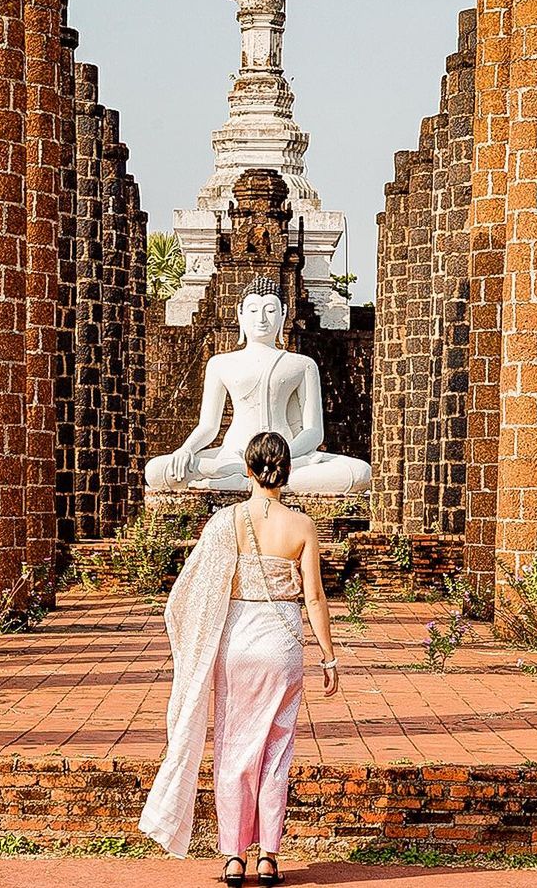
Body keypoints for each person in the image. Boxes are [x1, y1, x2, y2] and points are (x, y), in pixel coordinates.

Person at [139, 430, 340, 884]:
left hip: (237, 646)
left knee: (233, 748)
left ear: (247, 469)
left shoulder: (224, 523)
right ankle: (268, 855)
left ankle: (233, 857)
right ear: (287, 472)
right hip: (283, 644)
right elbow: (315, 596)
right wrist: (328, 655)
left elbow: (191, 590)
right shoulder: (302, 526)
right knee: (276, 750)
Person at [143, 274, 371, 495]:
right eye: (253, 310)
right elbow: (209, 427)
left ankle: (242, 483)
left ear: (283, 314)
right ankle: (262, 483)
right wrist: (186, 449)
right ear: (240, 314)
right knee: (157, 471)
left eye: (270, 310)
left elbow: (313, 432)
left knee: (360, 473)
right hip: (233, 454)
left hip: (285, 457)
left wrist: (283, 457)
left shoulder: (301, 365)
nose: (261, 318)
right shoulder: (220, 363)